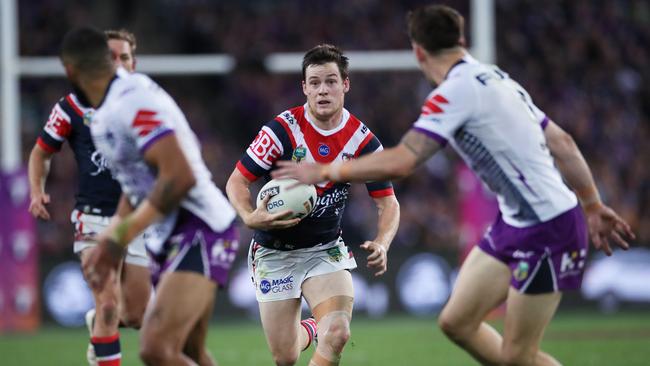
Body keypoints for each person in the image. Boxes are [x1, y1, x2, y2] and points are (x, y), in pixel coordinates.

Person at [273, 5, 635, 366]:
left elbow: (404, 160)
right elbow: (564, 142)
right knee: (456, 322)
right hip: (516, 222)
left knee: (517, 356)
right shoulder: (496, 77)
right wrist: (591, 204)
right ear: (461, 40)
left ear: (418, 52)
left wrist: (326, 172)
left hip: (548, 226)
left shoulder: (452, 94)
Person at [59, 27, 239, 366]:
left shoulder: (130, 100)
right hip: (168, 234)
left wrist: (119, 238)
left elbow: (179, 176)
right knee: (190, 352)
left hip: (200, 225)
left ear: (70, 70)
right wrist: (113, 232)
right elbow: (137, 186)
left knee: (155, 349)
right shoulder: (105, 115)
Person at [226, 44, 400, 366]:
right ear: (304, 87)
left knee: (337, 333)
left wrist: (382, 242)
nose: (323, 90)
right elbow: (237, 181)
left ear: (345, 84)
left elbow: (387, 203)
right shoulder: (282, 130)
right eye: (315, 82)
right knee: (285, 356)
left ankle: (321, 327)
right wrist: (250, 216)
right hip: (274, 252)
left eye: (331, 81)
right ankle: (308, 328)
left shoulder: (362, 141)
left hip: (325, 249)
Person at [28, 29, 150, 366]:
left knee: (136, 315)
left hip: (136, 219)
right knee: (108, 303)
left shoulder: (144, 102)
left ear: (133, 62)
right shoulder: (71, 106)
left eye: (124, 57)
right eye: (110, 57)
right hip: (93, 217)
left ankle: (97, 324)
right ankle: (102, 324)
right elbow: (41, 152)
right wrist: (37, 190)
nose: (118, 63)